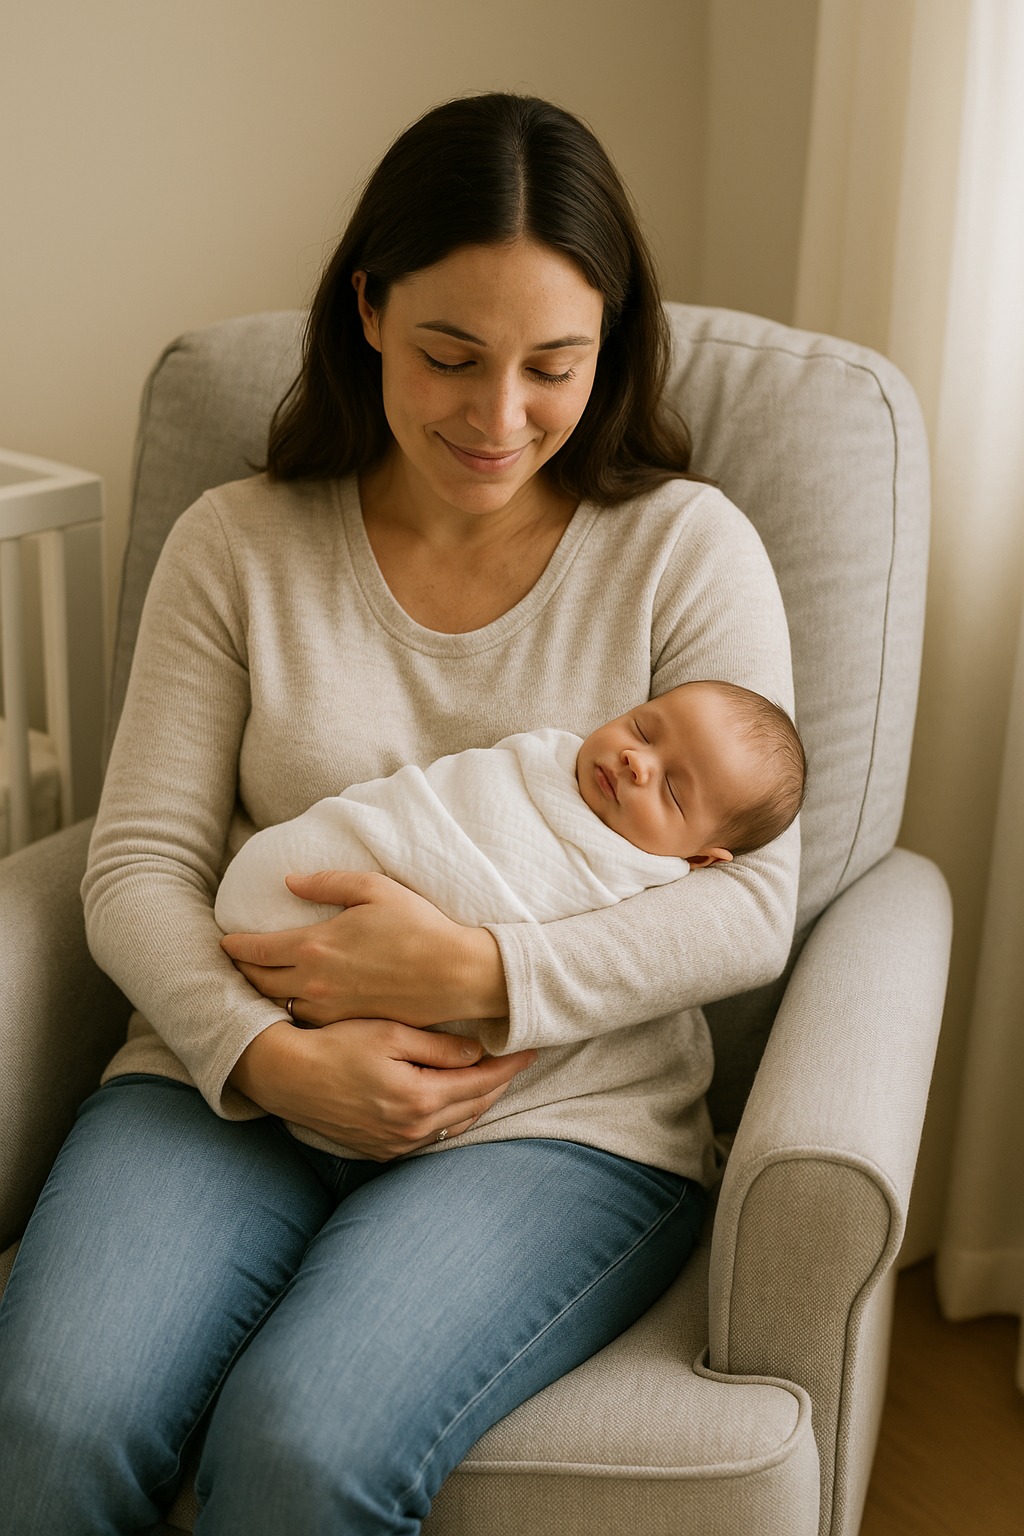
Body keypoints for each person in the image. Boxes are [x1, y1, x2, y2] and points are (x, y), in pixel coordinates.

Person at [0, 93, 800, 1533]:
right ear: (368, 310)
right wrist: (266, 1058)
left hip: (556, 1121)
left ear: (608, 344)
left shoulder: (685, 550)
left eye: (554, 365)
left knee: (303, 1452)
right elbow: (135, 865)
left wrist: (487, 983)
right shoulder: (238, 544)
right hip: (223, 1086)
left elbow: (752, 900)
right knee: (51, 1427)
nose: (500, 419)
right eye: (450, 355)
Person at [215, 679, 806, 945]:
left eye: (673, 792)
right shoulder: (540, 759)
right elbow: (432, 800)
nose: (636, 761)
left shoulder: (629, 879)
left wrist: (461, 969)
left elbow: (748, 928)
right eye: (643, 727)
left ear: (700, 857)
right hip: (291, 905)